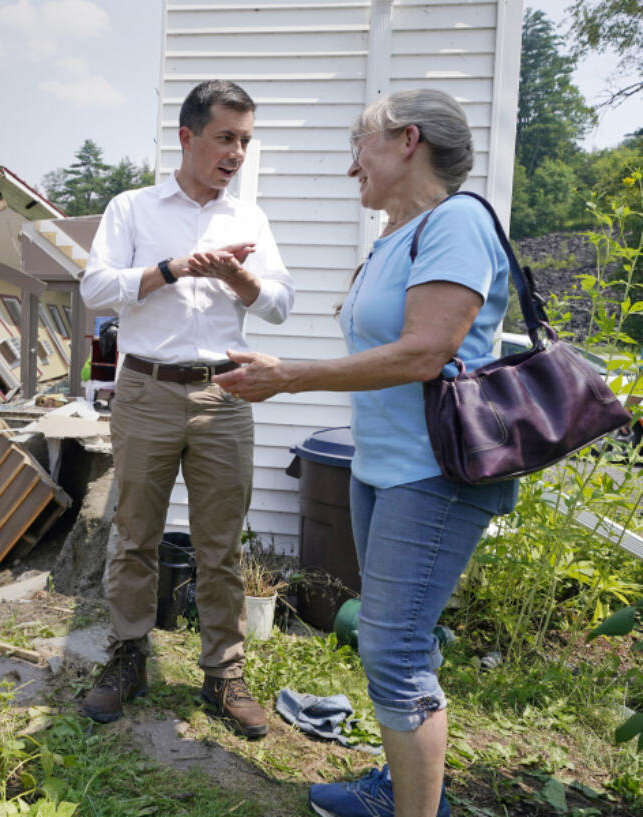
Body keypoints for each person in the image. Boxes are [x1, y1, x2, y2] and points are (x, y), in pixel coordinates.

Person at [215, 88, 519, 817]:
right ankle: (406, 784)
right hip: (380, 466)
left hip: (434, 473)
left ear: (407, 141)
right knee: (397, 639)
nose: (353, 165)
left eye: (363, 143)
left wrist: (289, 378)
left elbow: (424, 351)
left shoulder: (458, 224)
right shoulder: (395, 236)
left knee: (393, 649)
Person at [78, 79, 295, 737]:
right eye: (226, 138)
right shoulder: (133, 209)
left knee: (220, 543)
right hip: (145, 390)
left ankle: (223, 674)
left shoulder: (248, 219)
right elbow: (95, 288)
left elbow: (280, 303)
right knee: (136, 531)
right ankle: (127, 655)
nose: (236, 153)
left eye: (246, 141)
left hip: (225, 392)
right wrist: (171, 269)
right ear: (187, 136)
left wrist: (240, 278)